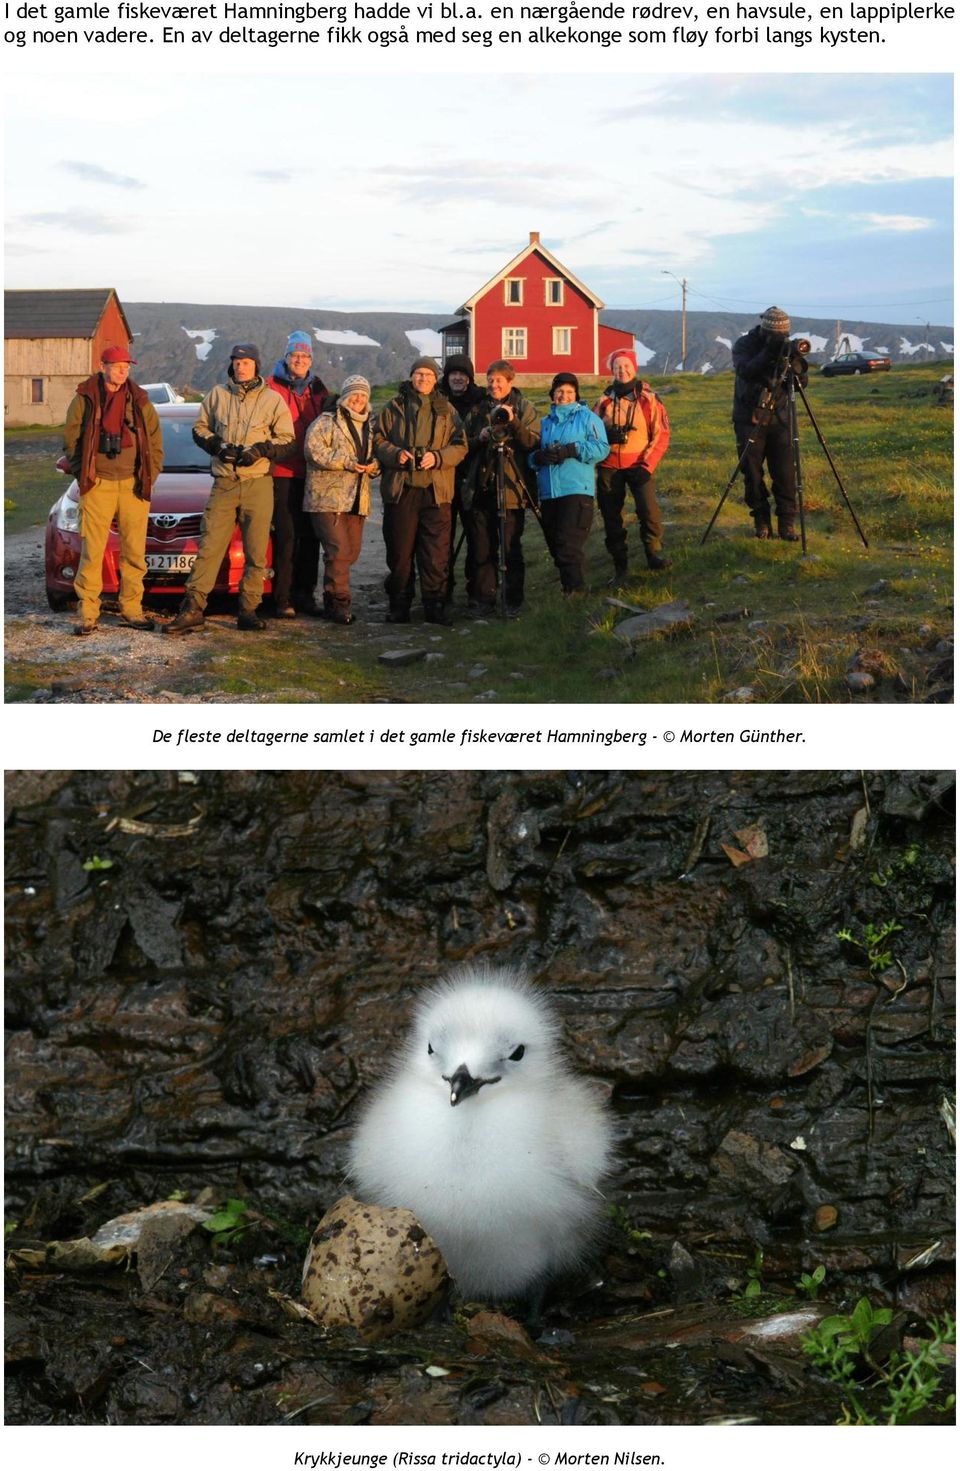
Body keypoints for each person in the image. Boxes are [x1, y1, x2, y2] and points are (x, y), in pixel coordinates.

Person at [164, 344, 294, 634]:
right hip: (223, 483)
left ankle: (248, 610)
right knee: (209, 547)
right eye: (236, 362)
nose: (241, 367)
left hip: (258, 483)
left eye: (246, 362)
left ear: (256, 365)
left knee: (256, 553)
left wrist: (260, 450)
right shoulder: (217, 395)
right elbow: (199, 428)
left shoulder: (272, 400)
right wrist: (216, 446)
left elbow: (288, 440)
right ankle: (193, 608)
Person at [62, 345, 163, 635]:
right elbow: (71, 437)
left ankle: (131, 609)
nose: (123, 370)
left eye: (127, 366)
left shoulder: (140, 399)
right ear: (102, 365)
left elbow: (155, 441)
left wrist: (149, 475)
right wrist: (85, 475)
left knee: (134, 551)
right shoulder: (86, 397)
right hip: (99, 484)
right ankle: (88, 614)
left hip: (133, 484)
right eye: (118, 365)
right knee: (92, 550)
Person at [373, 356, 467, 625]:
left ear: (435, 378)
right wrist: (395, 454)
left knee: (435, 554)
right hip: (402, 490)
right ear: (412, 376)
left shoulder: (447, 410)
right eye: (418, 374)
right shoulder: (394, 406)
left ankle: (434, 606)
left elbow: (460, 445)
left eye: (428, 374)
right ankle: (399, 605)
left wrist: (437, 458)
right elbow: (377, 437)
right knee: (400, 553)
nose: (423, 378)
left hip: (437, 491)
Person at [462, 359, 540, 616]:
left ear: (510, 381)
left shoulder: (525, 408)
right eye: (490, 380)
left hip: (512, 488)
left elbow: (532, 443)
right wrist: (480, 437)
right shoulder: (478, 409)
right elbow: (461, 444)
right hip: (482, 485)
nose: (494, 385)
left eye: (499, 380)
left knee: (510, 548)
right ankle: (484, 600)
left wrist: (514, 422)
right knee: (482, 547)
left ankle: (513, 601)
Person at [303, 375, 378, 625]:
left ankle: (332, 599)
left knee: (351, 552)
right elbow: (312, 450)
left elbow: (376, 456)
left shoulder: (371, 424)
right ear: (345, 396)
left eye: (363, 395)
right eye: (354, 394)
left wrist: (375, 466)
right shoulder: (326, 421)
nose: (358, 399)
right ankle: (338, 604)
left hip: (357, 498)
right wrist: (346, 462)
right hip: (327, 499)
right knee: (339, 551)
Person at [266, 331, 330, 617]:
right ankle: (283, 597)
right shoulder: (270, 386)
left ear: (311, 359)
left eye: (305, 356)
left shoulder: (318, 388)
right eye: (295, 355)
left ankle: (306, 595)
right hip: (281, 471)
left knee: (311, 537)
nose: (300, 360)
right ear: (286, 357)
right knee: (286, 536)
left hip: (313, 473)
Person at [593, 349, 672, 577]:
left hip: (640, 466)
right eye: (617, 367)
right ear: (612, 370)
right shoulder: (604, 400)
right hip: (609, 466)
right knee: (611, 517)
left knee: (649, 513)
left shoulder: (650, 399)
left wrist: (646, 466)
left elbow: (662, 434)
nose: (622, 370)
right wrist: (607, 436)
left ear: (634, 368)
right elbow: (591, 432)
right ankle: (620, 564)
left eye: (626, 366)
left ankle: (654, 554)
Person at [530, 373, 608, 595]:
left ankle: (576, 593)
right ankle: (571, 590)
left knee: (568, 545)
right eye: (560, 391)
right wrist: (539, 458)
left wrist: (571, 450)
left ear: (576, 395)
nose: (564, 396)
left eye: (569, 392)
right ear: (553, 394)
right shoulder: (544, 423)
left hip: (576, 490)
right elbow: (530, 457)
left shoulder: (588, 418)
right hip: (549, 493)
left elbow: (602, 448)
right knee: (556, 546)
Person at [731, 306, 805, 540]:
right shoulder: (746, 345)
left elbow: (802, 382)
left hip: (780, 417)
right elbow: (747, 370)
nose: (782, 338)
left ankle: (787, 524)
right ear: (766, 330)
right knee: (752, 473)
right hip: (749, 417)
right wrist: (769, 350)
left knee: (785, 473)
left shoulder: (787, 347)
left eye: (785, 334)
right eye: (778, 334)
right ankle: (761, 521)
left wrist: (794, 363)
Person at [438, 353, 486, 606]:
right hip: (443, 479)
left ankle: (476, 594)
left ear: (469, 377)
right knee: (441, 541)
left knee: (477, 539)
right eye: (453, 373)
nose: (457, 378)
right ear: (447, 376)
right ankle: (441, 593)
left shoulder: (482, 401)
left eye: (462, 374)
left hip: (474, 479)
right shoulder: (436, 399)